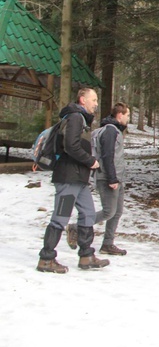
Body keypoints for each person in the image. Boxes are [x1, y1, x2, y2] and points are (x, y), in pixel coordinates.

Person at [37, 87, 109, 273]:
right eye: (93, 100)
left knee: (88, 214)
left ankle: (86, 256)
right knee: (60, 217)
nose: (96, 103)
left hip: (79, 179)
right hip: (68, 178)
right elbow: (70, 146)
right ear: (82, 100)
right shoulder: (76, 117)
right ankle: (46, 258)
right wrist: (90, 161)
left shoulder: (82, 119)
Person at [93, 102, 131, 255]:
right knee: (109, 211)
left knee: (117, 212)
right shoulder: (110, 131)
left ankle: (107, 244)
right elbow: (107, 156)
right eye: (127, 115)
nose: (128, 119)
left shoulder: (115, 130)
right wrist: (112, 179)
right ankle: (77, 226)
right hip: (108, 178)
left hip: (117, 178)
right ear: (120, 115)